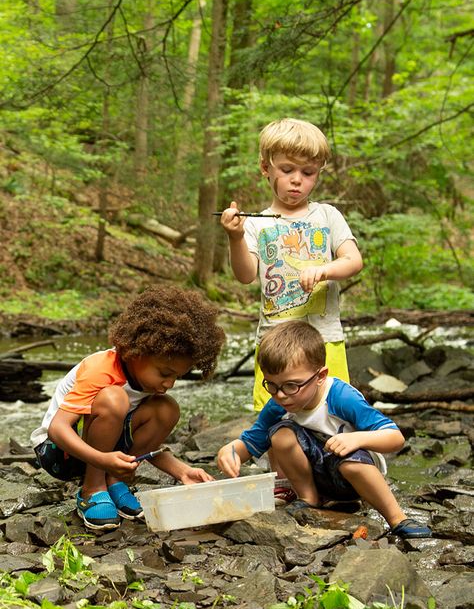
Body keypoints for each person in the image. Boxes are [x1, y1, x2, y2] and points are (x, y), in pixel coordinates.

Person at [31, 285, 225, 531]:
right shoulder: (101, 369)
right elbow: (58, 429)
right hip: (60, 452)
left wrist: (183, 471)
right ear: (137, 352)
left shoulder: (146, 379)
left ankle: (114, 481)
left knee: (167, 409)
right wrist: (102, 460)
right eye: (165, 374)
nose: (170, 383)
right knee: (114, 400)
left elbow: (145, 443)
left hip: (108, 455)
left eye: (178, 376)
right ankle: (92, 489)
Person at [217, 321, 432, 539]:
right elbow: (251, 442)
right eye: (271, 385)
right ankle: (308, 499)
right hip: (316, 477)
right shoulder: (278, 405)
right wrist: (231, 451)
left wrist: (357, 439)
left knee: (349, 462)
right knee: (280, 434)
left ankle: (397, 518)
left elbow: (395, 438)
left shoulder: (340, 397)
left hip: (353, 474)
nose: (280, 395)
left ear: (320, 377)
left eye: (291, 385)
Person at [218, 117, 363, 414]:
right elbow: (246, 275)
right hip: (275, 341)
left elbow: (353, 260)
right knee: (274, 420)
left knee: (333, 413)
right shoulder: (256, 223)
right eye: (287, 170)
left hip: (325, 339)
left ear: (318, 174)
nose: (297, 179)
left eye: (308, 172)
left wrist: (324, 270)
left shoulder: (327, 216)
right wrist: (235, 236)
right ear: (265, 168)